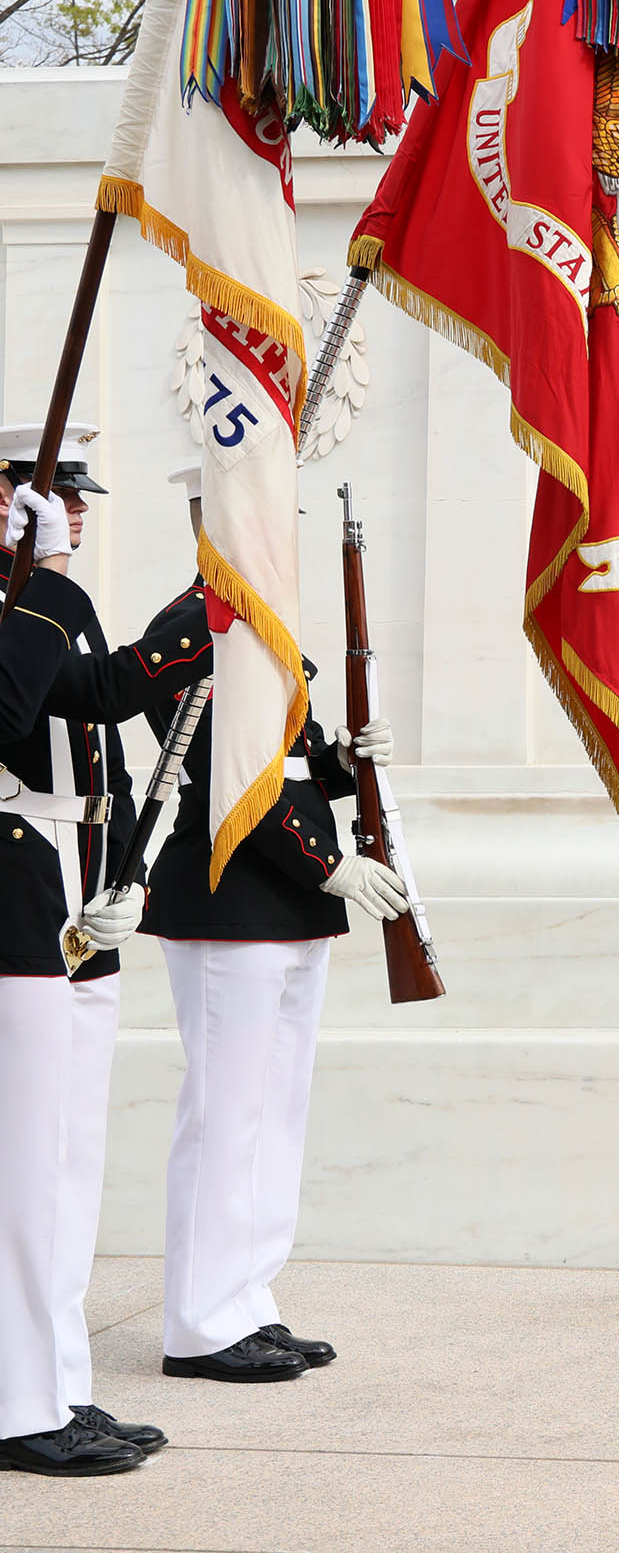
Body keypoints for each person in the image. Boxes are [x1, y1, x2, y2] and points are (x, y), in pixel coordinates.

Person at [137, 465, 406, 1384]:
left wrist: (340, 755)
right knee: (227, 1114)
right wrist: (329, 865)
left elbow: (287, 762)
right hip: (230, 901)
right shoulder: (191, 627)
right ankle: (200, 1322)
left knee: (273, 1109)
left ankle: (247, 1299)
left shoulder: (261, 624)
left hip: (286, 907)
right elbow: (231, 781)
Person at [0, 435, 161, 1476]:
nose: (73, 511)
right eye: (51, 496)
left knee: (64, 1162)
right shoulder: (25, 602)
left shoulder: (33, 602)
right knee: (21, 1169)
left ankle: (55, 1381)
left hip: (62, 881)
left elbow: (92, 701)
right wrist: (44, 581)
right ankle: (15, 1404)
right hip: (11, 884)